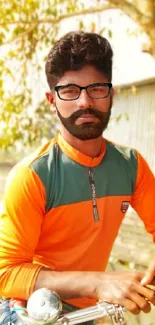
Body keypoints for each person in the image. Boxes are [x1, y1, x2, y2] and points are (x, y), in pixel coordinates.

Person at [0, 31, 155, 325]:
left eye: (96, 88)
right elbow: (6, 274)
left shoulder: (132, 166)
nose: (85, 101)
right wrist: (99, 283)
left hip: (92, 311)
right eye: (70, 90)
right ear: (52, 100)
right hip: (30, 311)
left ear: (111, 93)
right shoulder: (33, 175)